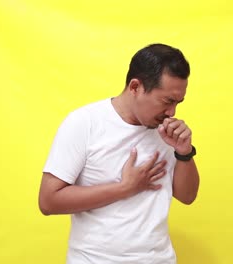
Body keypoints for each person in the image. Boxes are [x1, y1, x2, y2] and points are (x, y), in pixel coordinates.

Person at [38, 43, 200, 264]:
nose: (172, 113)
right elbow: (48, 201)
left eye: (178, 103)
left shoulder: (165, 130)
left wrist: (184, 152)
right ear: (135, 87)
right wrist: (126, 187)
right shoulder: (84, 123)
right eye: (167, 101)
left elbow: (187, 196)